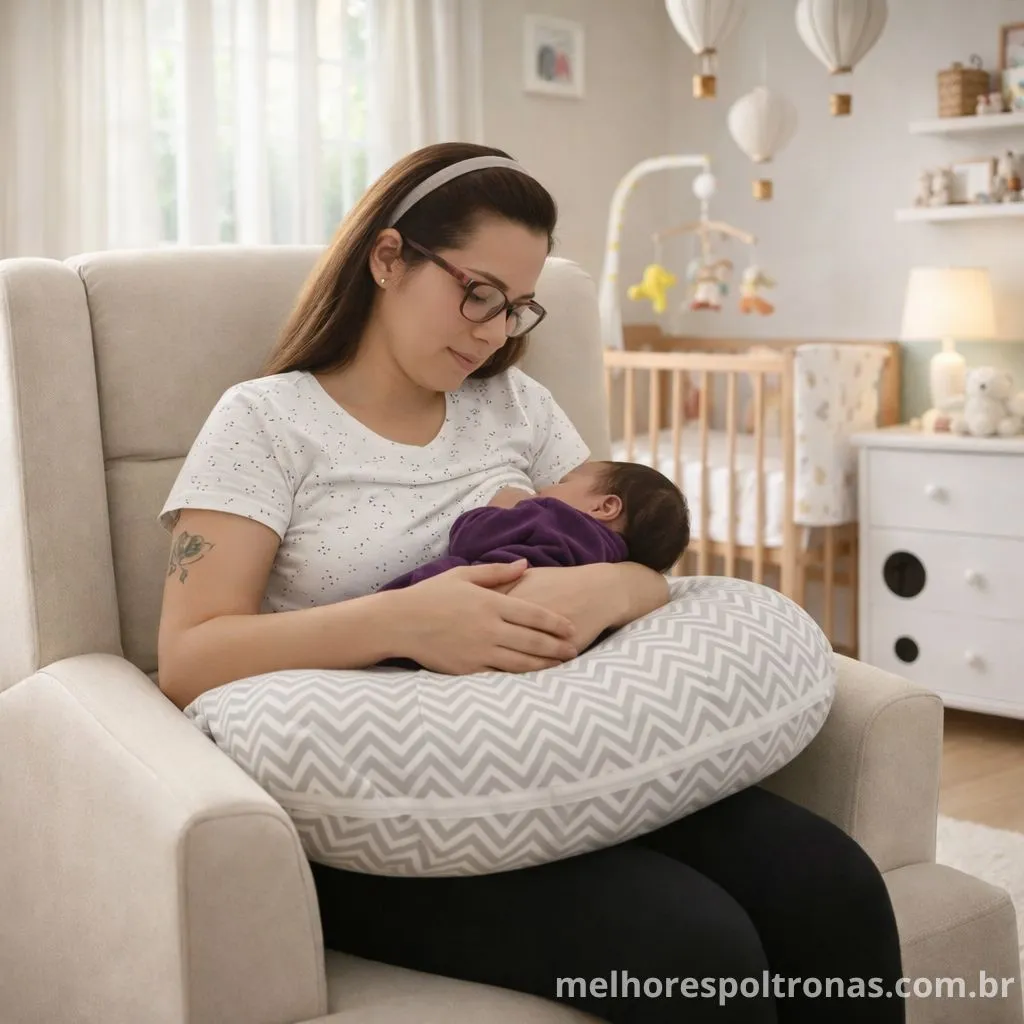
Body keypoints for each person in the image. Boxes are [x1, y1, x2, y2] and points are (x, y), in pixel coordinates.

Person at [156, 141, 905, 1024]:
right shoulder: (266, 421)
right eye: (476, 293)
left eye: (515, 310)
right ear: (389, 257)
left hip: (560, 753)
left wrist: (618, 593)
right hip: (388, 809)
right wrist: (403, 623)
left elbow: (625, 542)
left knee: (833, 883)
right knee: (693, 950)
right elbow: (190, 656)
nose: (490, 332)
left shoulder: (517, 408)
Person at [378, 460, 691, 591]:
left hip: (476, 593)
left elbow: (468, 539)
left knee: (432, 580)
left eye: (562, 481)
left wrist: (504, 505)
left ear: (604, 506)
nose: (546, 486)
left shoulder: (551, 515)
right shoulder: (609, 563)